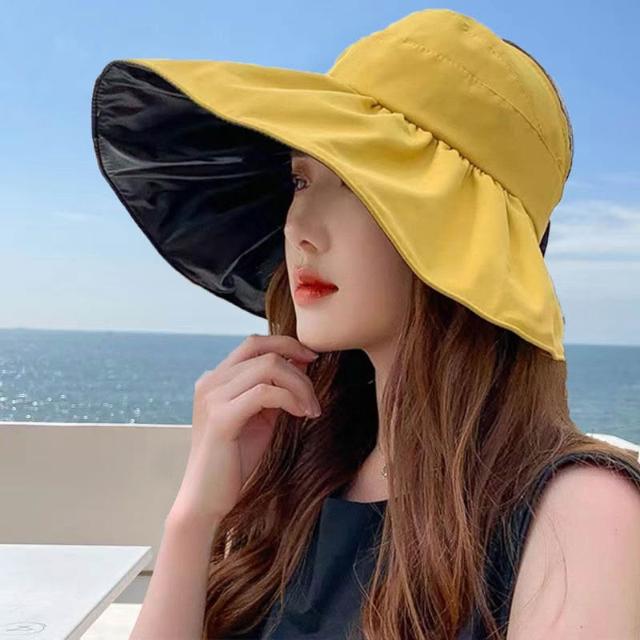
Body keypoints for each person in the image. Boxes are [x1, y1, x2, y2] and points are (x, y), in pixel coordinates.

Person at [91, 8, 640, 640]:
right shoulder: (301, 479)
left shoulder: (579, 515)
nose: (300, 227)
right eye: (301, 179)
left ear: (469, 237)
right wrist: (195, 517)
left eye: (357, 182)